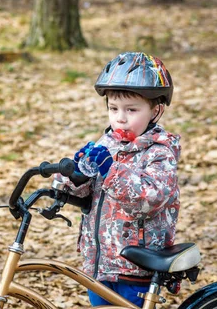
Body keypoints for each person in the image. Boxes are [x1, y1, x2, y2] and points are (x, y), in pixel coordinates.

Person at [53, 52, 181, 307]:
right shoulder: (107, 144)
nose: (120, 118)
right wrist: (74, 175)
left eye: (131, 110)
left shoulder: (159, 153)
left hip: (136, 266)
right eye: (113, 109)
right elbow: (84, 194)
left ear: (155, 110)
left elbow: (149, 199)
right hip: (100, 265)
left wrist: (111, 171)